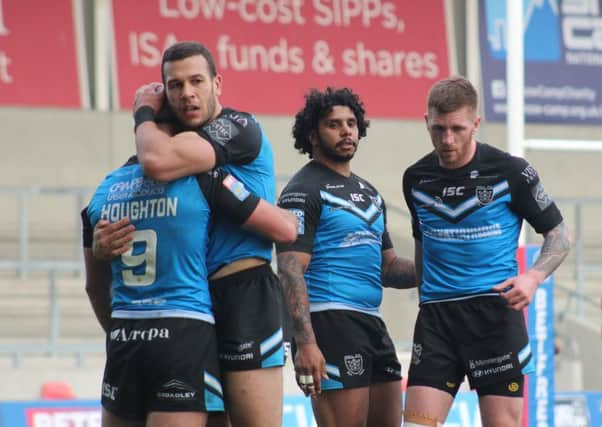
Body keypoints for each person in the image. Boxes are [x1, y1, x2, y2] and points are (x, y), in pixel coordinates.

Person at [95, 41, 288, 427]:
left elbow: (156, 162)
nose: (187, 93)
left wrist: (144, 113)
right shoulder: (178, 139)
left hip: (242, 292)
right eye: (175, 85)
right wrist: (104, 244)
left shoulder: (240, 127)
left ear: (217, 83)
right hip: (192, 303)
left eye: (197, 81)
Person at [401, 76, 570, 427]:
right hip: (437, 320)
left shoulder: (511, 171)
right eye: (439, 128)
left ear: (476, 124)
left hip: (494, 315)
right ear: (426, 122)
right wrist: (424, 297)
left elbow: (558, 234)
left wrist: (533, 278)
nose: (447, 140)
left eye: (458, 129)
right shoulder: (415, 178)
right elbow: (422, 244)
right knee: (417, 424)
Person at [83, 155, 297, 427]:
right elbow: (284, 228)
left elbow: (93, 287)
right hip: (184, 333)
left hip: (125, 336)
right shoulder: (204, 177)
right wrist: (288, 215)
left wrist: (117, 334)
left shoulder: (106, 188)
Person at [276, 87, 416, 427]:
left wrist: (441, 265)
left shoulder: (370, 193)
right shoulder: (302, 189)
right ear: (312, 134)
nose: (346, 131)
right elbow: (290, 269)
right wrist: (305, 343)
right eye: (334, 124)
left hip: (372, 322)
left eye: (352, 123)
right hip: (330, 322)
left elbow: (389, 268)